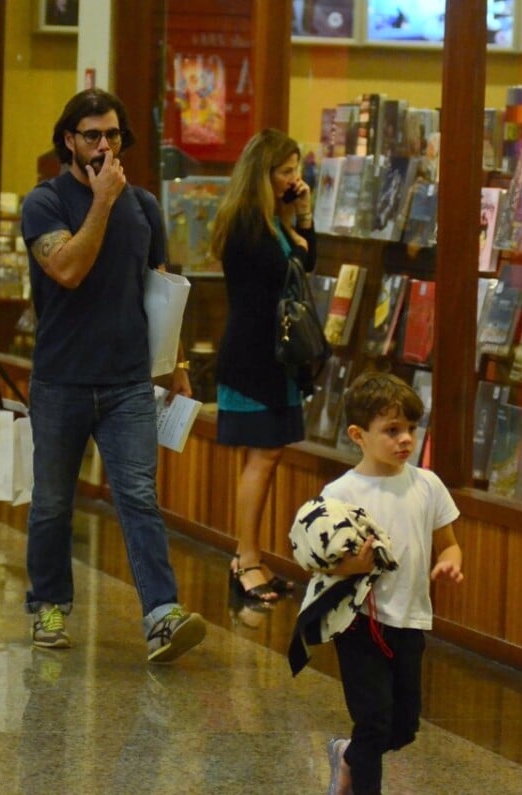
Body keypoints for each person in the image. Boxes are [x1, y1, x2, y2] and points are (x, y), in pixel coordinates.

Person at [19, 88, 205, 663]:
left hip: (128, 381)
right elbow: (68, 269)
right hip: (61, 379)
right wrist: (100, 201)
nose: (104, 145)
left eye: (114, 135)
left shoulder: (144, 206)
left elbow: (161, 291)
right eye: (92, 135)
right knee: (52, 501)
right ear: (69, 140)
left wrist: (176, 366)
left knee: (139, 497)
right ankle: (49, 605)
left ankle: (161, 615)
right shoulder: (44, 203)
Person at [317, 372, 464, 795]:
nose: (405, 440)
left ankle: (347, 754)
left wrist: (450, 564)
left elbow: (450, 545)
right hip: (359, 623)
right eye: (392, 430)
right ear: (358, 435)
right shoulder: (340, 493)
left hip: (411, 620)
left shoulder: (427, 484)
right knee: (375, 720)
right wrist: (351, 566)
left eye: (411, 429)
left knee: (402, 727)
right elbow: (321, 563)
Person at [210, 128, 315, 603]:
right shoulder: (248, 223)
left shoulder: (272, 219)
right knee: (263, 455)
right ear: (263, 173)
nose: (294, 179)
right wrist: (292, 222)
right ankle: (245, 559)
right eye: (286, 171)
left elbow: (307, 265)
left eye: (296, 170)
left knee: (268, 457)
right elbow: (282, 270)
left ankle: (248, 556)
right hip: (253, 355)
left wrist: (300, 215)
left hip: (276, 354)